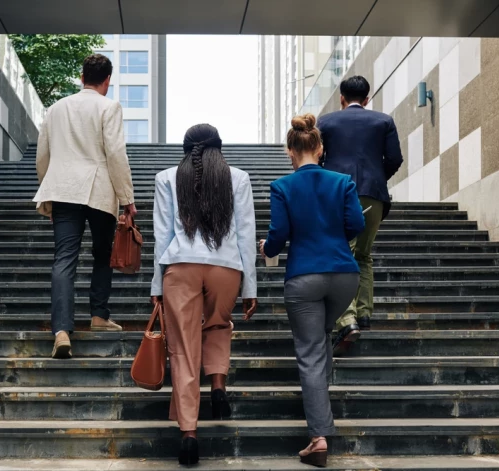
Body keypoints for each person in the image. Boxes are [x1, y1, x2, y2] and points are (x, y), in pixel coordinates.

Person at [260, 114, 365, 468]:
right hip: (344, 277)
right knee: (319, 337)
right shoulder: (342, 182)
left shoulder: (282, 187)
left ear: (290, 150)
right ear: (320, 149)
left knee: (309, 353)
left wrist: (266, 249)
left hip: (304, 276)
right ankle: (321, 400)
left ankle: (319, 437)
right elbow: (357, 224)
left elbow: (277, 238)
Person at [150, 124, 258, 466]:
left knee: (182, 348)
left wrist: (157, 285)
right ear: (219, 147)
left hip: (180, 266)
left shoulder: (166, 178)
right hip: (226, 267)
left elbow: (163, 236)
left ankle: (189, 435)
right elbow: (246, 233)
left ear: (185, 149)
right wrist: (250, 286)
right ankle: (218, 386)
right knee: (218, 324)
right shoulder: (237, 178)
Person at [34, 54, 137, 359]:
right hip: (99, 190)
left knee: (64, 258)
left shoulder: (55, 109)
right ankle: (99, 316)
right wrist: (127, 199)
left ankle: (62, 330)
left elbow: (43, 155)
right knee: (103, 253)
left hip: (63, 189)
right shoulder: (109, 107)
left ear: (81, 77)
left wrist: (48, 189)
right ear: (107, 80)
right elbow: (116, 154)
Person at [317, 76, 404, 356]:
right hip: (373, 193)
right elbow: (395, 159)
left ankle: (347, 319)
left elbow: (316, 158)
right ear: (367, 99)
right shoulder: (383, 121)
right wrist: (376, 179)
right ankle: (364, 313)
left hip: (337, 192)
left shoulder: (326, 122)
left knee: (341, 253)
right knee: (363, 255)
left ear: (341, 98)